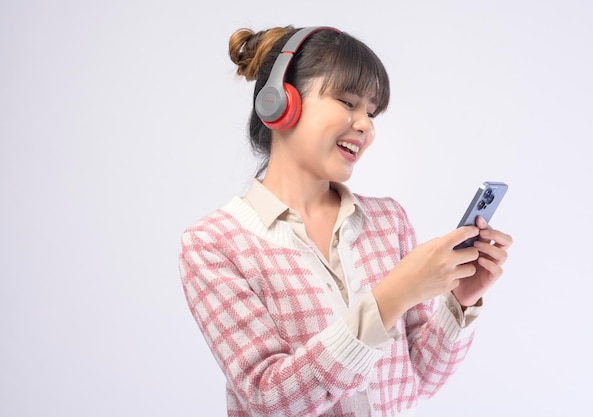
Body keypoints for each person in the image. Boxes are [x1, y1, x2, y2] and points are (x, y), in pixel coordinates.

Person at [178, 25, 513, 417]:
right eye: (348, 102)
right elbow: (270, 400)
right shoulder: (213, 244)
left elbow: (418, 379)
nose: (366, 125)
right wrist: (391, 298)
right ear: (279, 102)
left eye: (371, 112)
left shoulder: (389, 221)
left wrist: (460, 300)